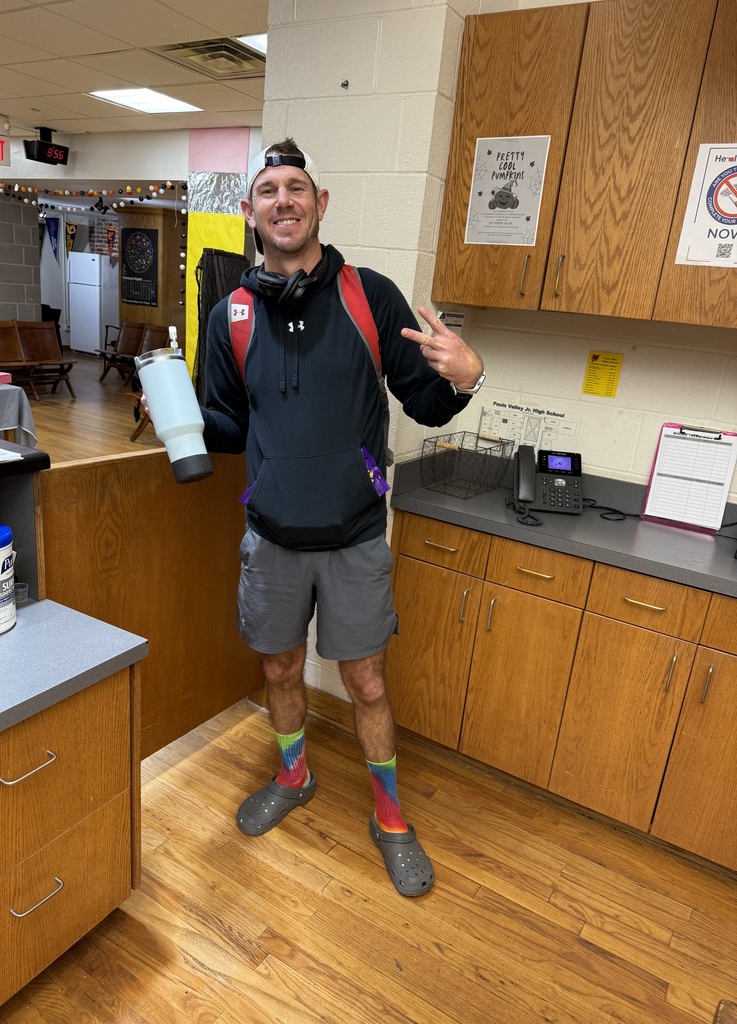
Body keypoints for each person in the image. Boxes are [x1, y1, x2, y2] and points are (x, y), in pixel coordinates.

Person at [190, 139, 484, 897]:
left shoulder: (369, 295)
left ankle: (390, 816)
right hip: (273, 537)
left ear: (321, 205)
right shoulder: (232, 315)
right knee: (280, 667)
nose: (282, 199)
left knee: (368, 684)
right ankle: (295, 777)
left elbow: (422, 398)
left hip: (354, 538)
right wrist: (178, 423)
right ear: (249, 211)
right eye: (267, 190)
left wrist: (465, 381)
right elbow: (225, 426)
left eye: (297, 187)